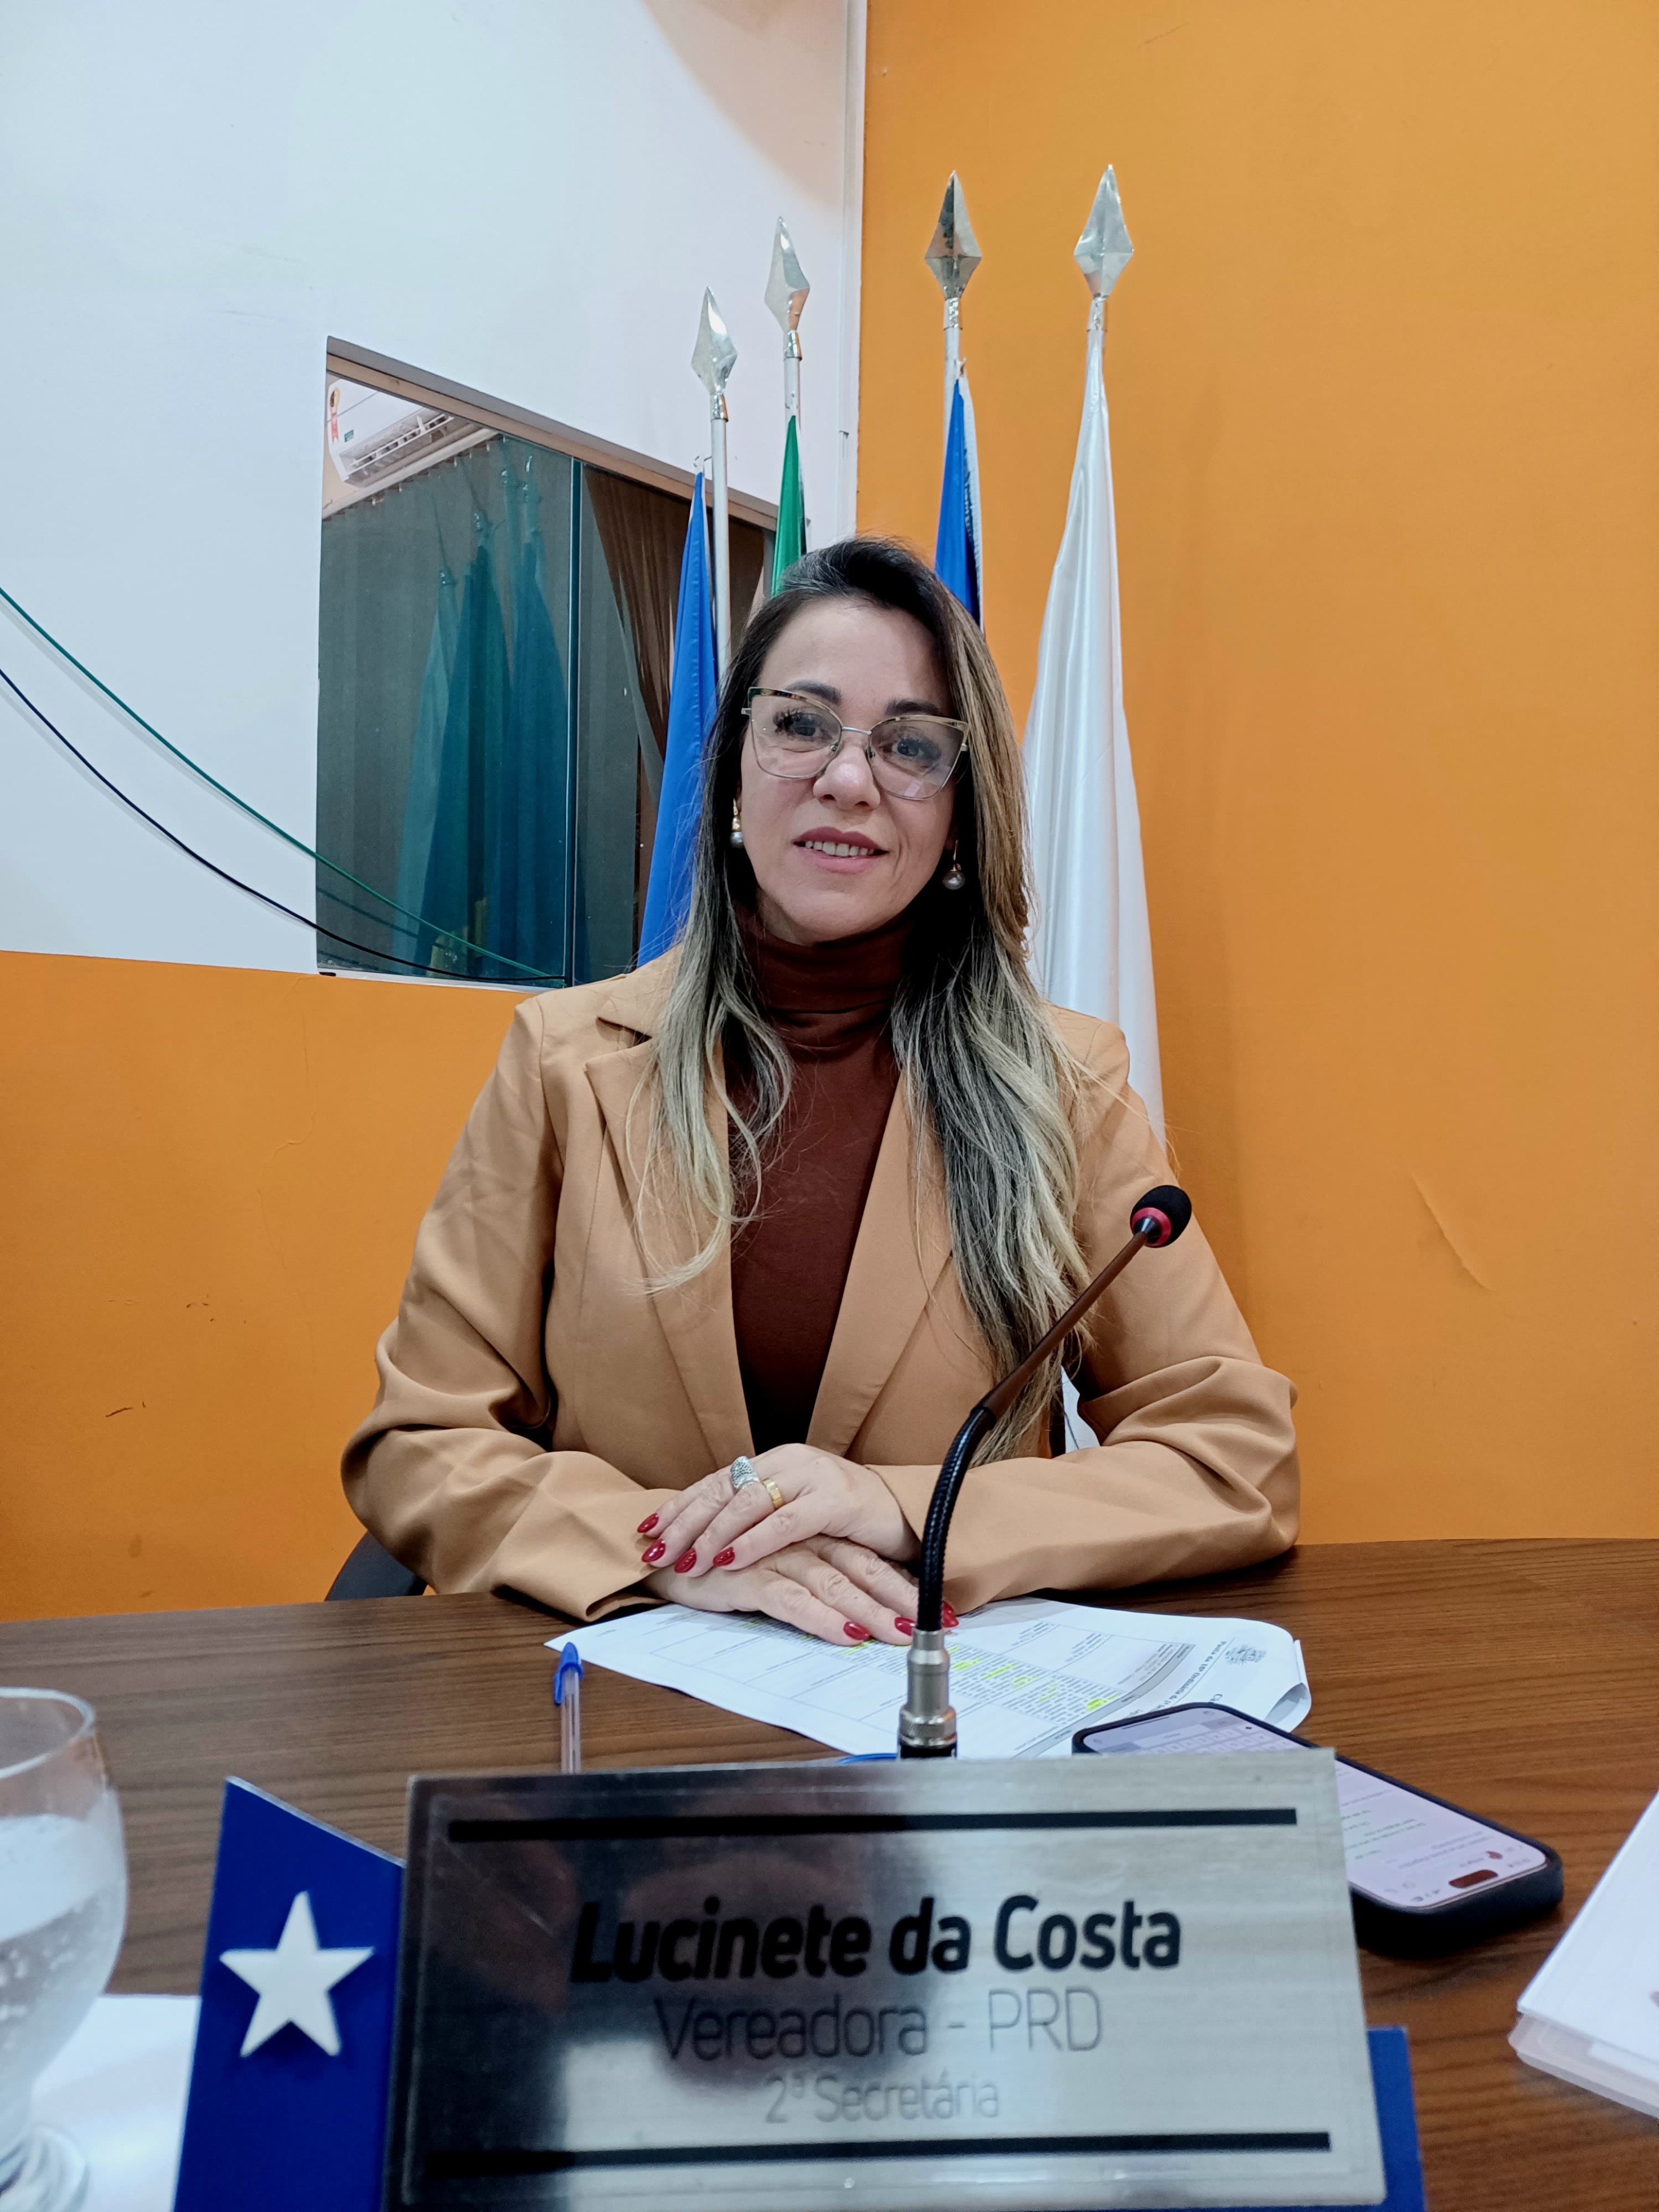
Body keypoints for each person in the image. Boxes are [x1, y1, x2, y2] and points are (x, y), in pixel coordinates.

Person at [343, 537, 1297, 1645]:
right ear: (734, 770)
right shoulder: (560, 1062)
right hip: (615, 1696)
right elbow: (420, 1444)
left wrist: (903, 1508)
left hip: (926, 1702)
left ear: (960, 813)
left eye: (911, 745)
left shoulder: (1067, 1087)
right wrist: (676, 1552)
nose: (848, 780)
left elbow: (1232, 1459)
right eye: (801, 725)